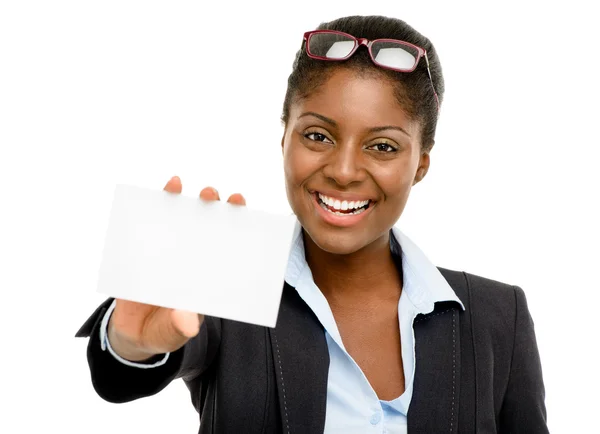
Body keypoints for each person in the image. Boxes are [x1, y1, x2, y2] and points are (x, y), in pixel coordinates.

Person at [76, 15, 548, 434]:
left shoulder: (496, 318)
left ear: (420, 165)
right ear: (284, 138)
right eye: (318, 135)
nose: (344, 171)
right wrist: (128, 344)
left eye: (382, 146)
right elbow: (120, 376)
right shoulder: (227, 276)